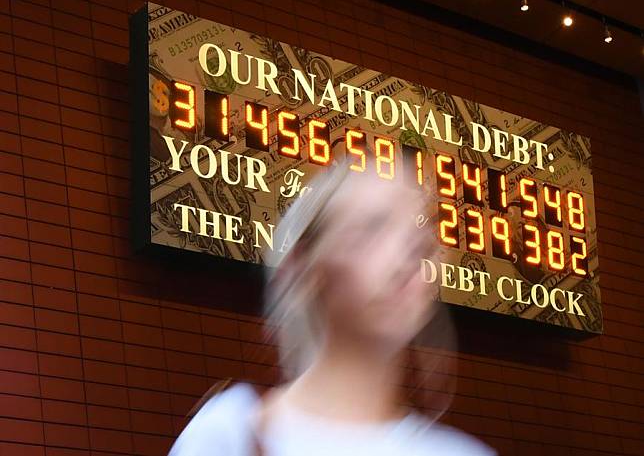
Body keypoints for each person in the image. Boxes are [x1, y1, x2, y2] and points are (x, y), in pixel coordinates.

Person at [168, 156, 496, 455]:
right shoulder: (229, 435)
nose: (403, 260)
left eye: (417, 240)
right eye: (371, 229)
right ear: (303, 266)